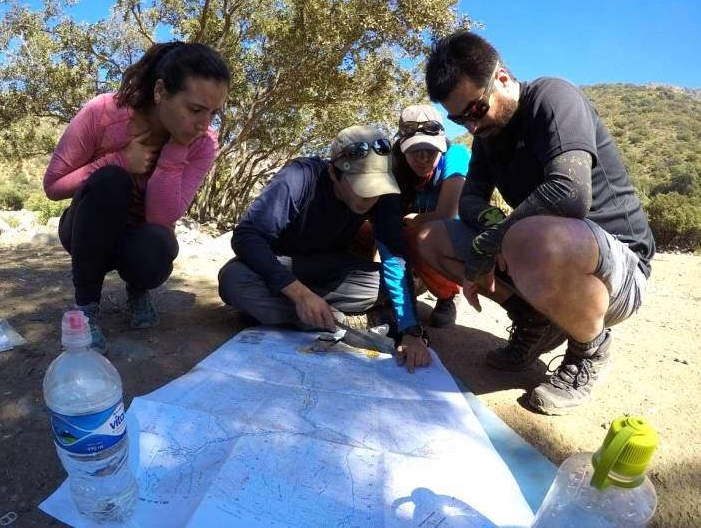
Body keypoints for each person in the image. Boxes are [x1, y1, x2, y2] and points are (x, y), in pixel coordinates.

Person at [419, 31, 655, 414]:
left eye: (476, 111)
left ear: (503, 78)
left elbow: (569, 192)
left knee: (530, 236)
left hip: (620, 269)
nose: (472, 126)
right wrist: (495, 231)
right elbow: (472, 200)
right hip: (539, 250)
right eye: (460, 119)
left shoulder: (552, 97)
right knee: (429, 235)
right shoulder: (486, 139)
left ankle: (589, 348)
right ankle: (534, 322)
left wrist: (491, 240)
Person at [44, 42, 230, 353]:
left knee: (158, 243)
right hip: (86, 230)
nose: (204, 124)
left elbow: (161, 217)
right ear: (160, 92)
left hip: (140, 240)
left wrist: (176, 150)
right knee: (112, 180)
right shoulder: (103, 112)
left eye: (213, 112)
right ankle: (87, 308)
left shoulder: (202, 143)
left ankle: (138, 290)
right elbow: (54, 186)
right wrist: (117, 161)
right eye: (195, 110)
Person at [218, 125, 430, 373]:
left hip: (332, 271)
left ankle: (280, 314)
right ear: (333, 171)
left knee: (399, 282)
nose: (370, 197)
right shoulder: (299, 177)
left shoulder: (384, 195)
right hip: (283, 268)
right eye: (361, 186)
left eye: (376, 187)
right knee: (234, 279)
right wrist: (301, 295)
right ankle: (344, 320)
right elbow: (247, 237)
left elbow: (394, 257)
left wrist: (411, 331)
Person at [392, 104, 470, 328]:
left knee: (419, 233)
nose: (423, 159)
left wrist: (411, 219)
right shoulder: (394, 163)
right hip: (415, 241)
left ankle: (448, 294)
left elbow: (447, 213)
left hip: (453, 238)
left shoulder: (456, 156)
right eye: (415, 151)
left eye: (431, 150)